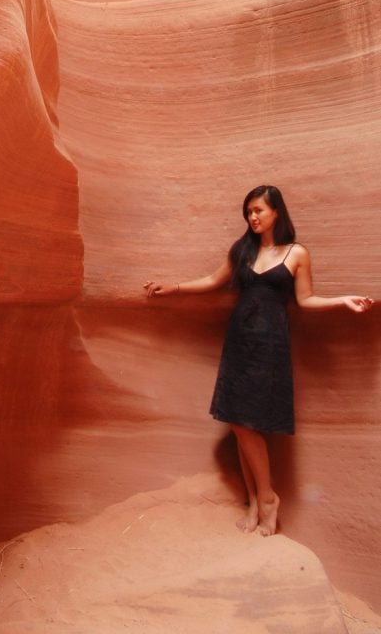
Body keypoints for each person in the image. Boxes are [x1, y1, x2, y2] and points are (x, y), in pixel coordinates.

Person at [143, 184, 373, 537]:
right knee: (237, 420)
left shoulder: (297, 253)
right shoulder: (242, 250)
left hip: (270, 345)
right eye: (248, 211)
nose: (252, 217)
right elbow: (212, 280)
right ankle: (256, 501)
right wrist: (171, 287)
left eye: (259, 211)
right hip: (239, 341)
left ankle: (267, 499)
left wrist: (342, 300)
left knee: (248, 421)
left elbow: (306, 300)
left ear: (276, 212)